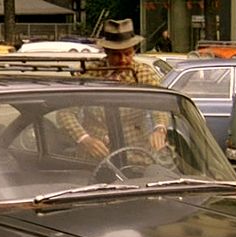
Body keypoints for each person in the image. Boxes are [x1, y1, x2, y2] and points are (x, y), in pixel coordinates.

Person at [57, 18, 168, 160]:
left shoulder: (142, 74)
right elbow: (65, 112)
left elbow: (160, 105)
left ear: (134, 51)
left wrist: (159, 128)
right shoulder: (90, 75)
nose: (123, 60)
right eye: (116, 54)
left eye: (127, 54)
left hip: (135, 153)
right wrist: (85, 139)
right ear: (107, 52)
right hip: (93, 156)